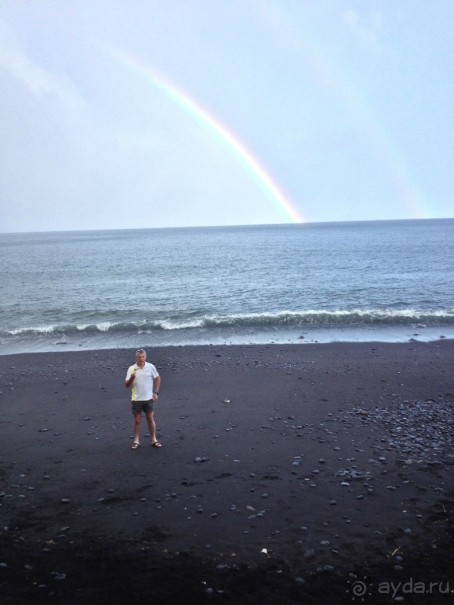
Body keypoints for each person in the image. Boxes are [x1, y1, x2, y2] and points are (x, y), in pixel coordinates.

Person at [125, 349, 162, 450]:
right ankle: (136, 441)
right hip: (136, 399)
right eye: (139, 357)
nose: (141, 359)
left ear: (145, 357)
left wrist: (156, 393)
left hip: (148, 398)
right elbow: (126, 385)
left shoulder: (150, 367)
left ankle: (154, 439)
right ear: (136, 358)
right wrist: (132, 378)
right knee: (137, 420)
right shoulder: (132, 368)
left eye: (142, 357)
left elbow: (158, 378)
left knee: (150, 418)